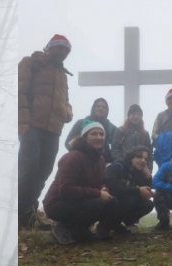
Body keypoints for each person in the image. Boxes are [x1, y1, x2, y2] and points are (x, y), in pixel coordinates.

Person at [18, 34, 74, 230]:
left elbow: (65, 100)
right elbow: (19, 91)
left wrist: (67, 113)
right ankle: (21, 213)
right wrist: (23, 120)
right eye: (60, 48)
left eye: (67, 50)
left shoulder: (63, 74)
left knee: (44, 171)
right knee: (29, 167)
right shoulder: (31, 63)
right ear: (50, 47)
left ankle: (28, 214)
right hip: (32, 125)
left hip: (53, 130)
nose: (63, 52)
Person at [43, 122, 122, 243]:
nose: (98, 137)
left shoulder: (100, 159)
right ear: (84, 137)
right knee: (97, 203)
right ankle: (63, 227)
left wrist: (103, 189)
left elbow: (100, 181)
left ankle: (80, 229)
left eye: (101, 134)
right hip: (58, 203)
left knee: (113, 201)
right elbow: (65, 189)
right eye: (93, 134)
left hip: (80, 199)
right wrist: (97, 194)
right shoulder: (72, 157)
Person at [103, 146, 156, 229]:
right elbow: (113, 188)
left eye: (145, 159)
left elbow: (145, 193)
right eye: (139, 157)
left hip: (123, 201)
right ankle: (105, 226)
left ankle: (120, 223)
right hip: (109, 200)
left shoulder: (138, 172)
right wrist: (137, 190)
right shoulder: (117, 167)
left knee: (148, 204)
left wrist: (148, 176)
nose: (143, 160)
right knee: (130, 200)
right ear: (131, 157)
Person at [67, 98, 115, 162]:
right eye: (98, 106)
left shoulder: (111, 127)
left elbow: (118, 145)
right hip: (83, 161)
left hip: (105, 162)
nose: (101, 108)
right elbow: (69, 142)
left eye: (104, 107)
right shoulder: (81, 123)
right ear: (93, 108)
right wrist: (78, 157)